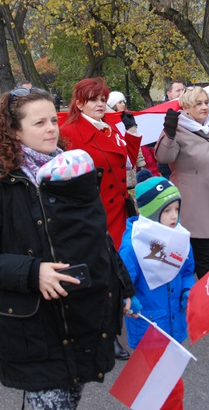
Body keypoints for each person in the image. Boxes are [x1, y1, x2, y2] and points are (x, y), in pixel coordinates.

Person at [0, 88, 136, 410]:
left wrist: (122, 285)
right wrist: (31, 272)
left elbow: (98, 236)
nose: (52, 128)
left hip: (81, 314)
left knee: (71, 395)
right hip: (34, 323)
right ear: (13, 130)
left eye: (54, 119)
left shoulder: (72, 169)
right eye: (39, 123)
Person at [60, 77, 141, 359]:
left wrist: (131, 131)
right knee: (96, 277)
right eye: (93, 99)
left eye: (102, 98)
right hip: (91, 215)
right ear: (79, 102)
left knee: (116, 275)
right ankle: (96, 333)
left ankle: (112, 331)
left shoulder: (109, 128)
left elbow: (128, 161)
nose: (100, 104)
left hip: (118, 210)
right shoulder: (69, 132)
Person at [155, 86, 209, 323]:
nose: (204, 107)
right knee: (203, 254)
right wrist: (169, 133)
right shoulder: (178, 128)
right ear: (186, 108)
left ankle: (183, 297)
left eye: (206, 102)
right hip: (191, 202)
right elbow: (164, 157)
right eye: (198, 104)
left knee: (186, 255)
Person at [119, 174, 193, 409]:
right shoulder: (134, 246)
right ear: (151, 212)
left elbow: (186, 271)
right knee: (158, 387)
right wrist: (128, 298)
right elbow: (121, 283)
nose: (174, 216)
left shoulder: (180, 237)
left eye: (177, 208)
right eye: (167, 210)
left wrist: (187, 291)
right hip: (148, 327)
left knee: (170, 385)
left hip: (173, 323)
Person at [107, 91, 145, 195]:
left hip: (132, 164)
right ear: (112, 105)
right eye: (120, 102)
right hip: (122, 169)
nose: (123, 104)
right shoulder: (108, 122)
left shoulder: (127, 118)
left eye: (124, 101)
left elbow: (136, 145)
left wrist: (141, 164)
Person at [158, 80, 187, 179]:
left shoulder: (189, 108)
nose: (182, 93)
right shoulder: (160, 112)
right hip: (169, 165)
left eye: (183, 90)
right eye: (178, 90)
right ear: (169, 94)